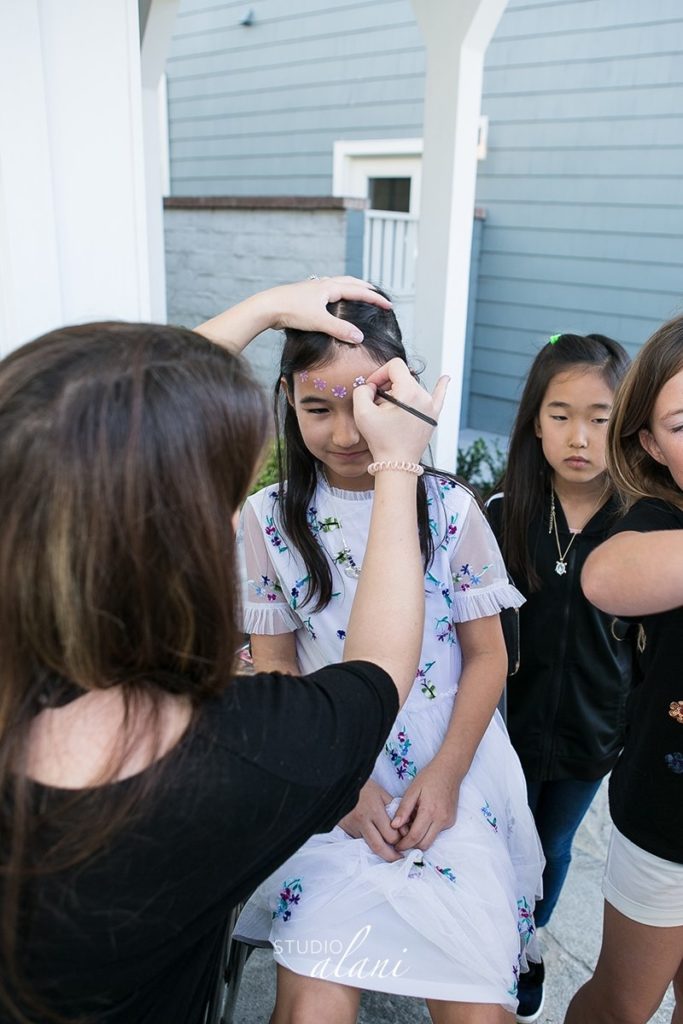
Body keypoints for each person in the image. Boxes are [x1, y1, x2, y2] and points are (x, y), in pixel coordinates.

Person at [0, 277, 447, 1024]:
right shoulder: (251, 752)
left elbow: (68, 433)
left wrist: (268, 307)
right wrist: (399, 464)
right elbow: (375, 673)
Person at [234, 292, 544, 1024]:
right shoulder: (266, 519)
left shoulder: (451, 510)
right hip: (327, 766)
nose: (347, 433)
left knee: (476, 1001)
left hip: (450, 763)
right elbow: (276, 665)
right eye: (319, 408)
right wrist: (338, 785)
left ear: (403, 392)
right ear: (288, 399)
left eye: (368, 404)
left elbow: (487, 658)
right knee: (310, 1005)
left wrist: (445, 776)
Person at [486, 333, 633, 1023]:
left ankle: (527, 938)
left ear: (625, 425)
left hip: (592, 730)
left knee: (551, 845)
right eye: (560, 414)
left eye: (599, 418)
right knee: (495, 841)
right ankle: (485, 936)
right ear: (534, 422)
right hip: (501, 729)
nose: (579, 437)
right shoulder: (499, 515)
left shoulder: (642, 525)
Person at [565, 316, 683, 1024]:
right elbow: (606, 578)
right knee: (621, 1003)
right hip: (668, 820)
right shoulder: (656, 523)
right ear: (650, 445)